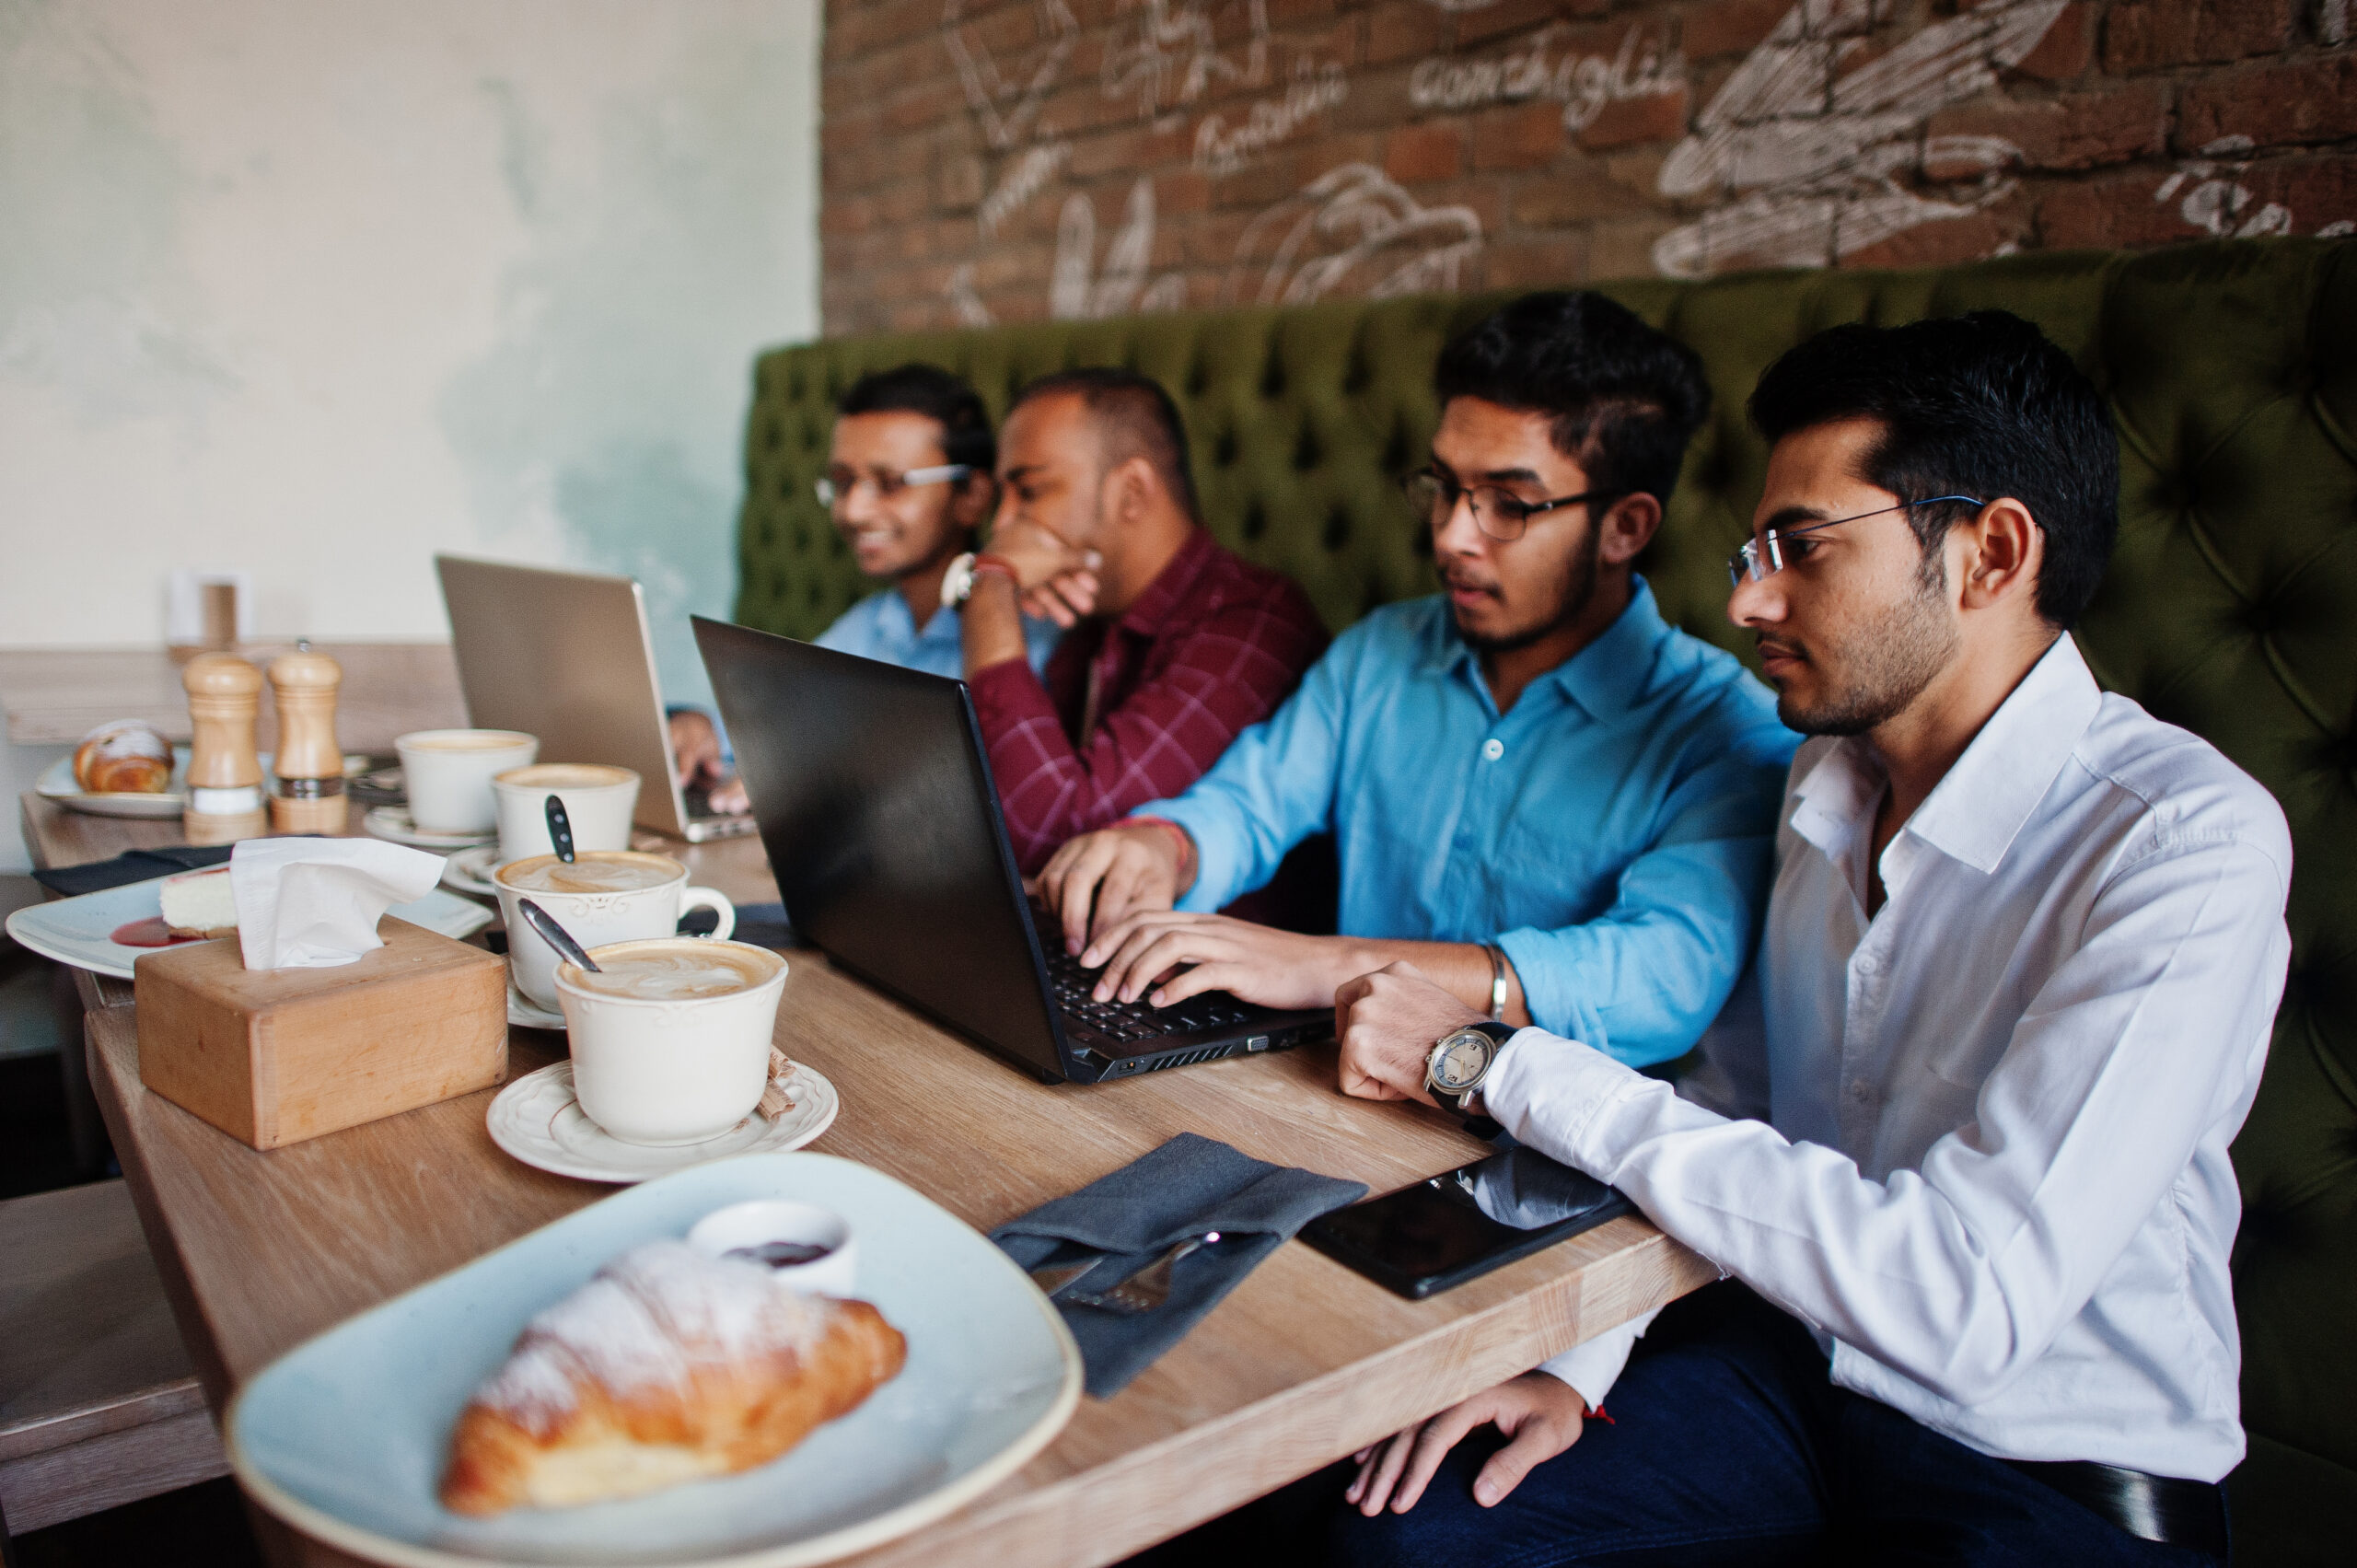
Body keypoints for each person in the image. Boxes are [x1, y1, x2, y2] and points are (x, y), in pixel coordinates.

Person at [1329, 311, 2283, 1564]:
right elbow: (1739, 1101)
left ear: (1992, 551)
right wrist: (1581, 1357)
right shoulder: (1821, 781)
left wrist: (1500, 1060)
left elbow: (1966, 1298)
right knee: (1410, 1531)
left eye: (1802, 546)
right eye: (1752, 545)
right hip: (1786, 1378)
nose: (1746, 594)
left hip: (2048, 1461)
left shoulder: (2182, 839)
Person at [1035, 294, 1794, 1065]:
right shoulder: (1381, 653)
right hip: (1333, 1097)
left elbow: (1657, 979)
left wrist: (1328, 963)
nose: (1451, 536)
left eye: (1510, 503)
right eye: (1444, 486)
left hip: (1548, 1156)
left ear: (1625, 527)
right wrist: (1167, 845)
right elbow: (1250, 800)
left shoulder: (1727, 733)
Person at [945, 367, 1329, 873]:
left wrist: (989, 586)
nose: (1002, 525)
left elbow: (1050, 834)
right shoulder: (1090, 618)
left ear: (1132, 491)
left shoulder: (1255, 620)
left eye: (1030, 491)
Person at [668, 363, 1059, 809]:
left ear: (971, 496)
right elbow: (766, 723)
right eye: (843, 482)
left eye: (891, 483)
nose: (853, 510)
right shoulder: (871, 625)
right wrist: (695, 724)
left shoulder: (1035, 635)